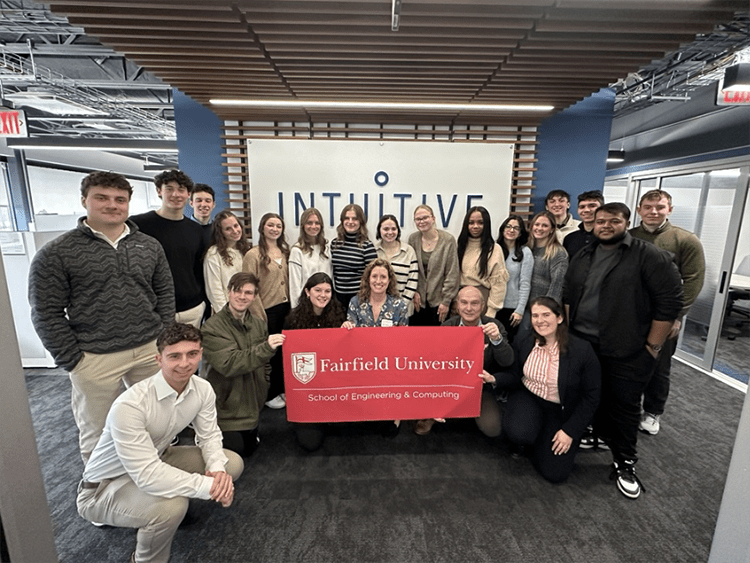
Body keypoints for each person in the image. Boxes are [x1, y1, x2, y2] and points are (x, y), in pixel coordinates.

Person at [28, 171, 175, 463]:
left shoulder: (149, 246)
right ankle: (100, 493)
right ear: (85, 201)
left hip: (149, 350)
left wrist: (164, 340)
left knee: (157, 420)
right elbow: (45, 311)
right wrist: (71, 358)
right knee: (98, 431)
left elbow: (165, 294)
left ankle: (159, 477)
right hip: (94, 356)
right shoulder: (56, 253)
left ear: (128, 204)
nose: (112, 205)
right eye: (102, 198)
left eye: (120, 199)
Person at [76, 323, 243, 563]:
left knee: (231, 464)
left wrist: (216, 471)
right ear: (158, 359)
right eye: (174, 356)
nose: (185, 363)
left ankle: (158, 503)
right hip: (103, 487)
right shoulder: (131, 405)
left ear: (200, 354)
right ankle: (144, 559)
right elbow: (147, 475)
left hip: (156, 459)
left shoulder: (202, 388)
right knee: (172, 507)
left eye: (192, 354)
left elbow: (209, 435)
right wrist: (211, 488)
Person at [564, 202, 683, 499]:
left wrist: (653, 348)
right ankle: (594, 433)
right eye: (600, 221)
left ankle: (625, 462)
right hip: (584, 343)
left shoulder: (648, 255)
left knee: (625, 406)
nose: (605, 225)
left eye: (613, 221)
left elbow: (669, 304)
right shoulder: (584, 253)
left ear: (626, 222)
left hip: (627, 348)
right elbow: (568, 294)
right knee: (589, 395)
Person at [630, 189, 705, 435]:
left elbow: (693, 280)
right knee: (626, 363)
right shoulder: (628, 237)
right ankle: (626, 408)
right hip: (630, 315)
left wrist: (676, 316)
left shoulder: (685, 240)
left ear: (669, 210)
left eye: (660, 207)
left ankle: (652, 411)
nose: (654, 211)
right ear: (639, 209)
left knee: (658, 366)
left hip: (664, 317)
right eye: (648, 206)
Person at [503, 297, 601, 483]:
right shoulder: (525, 339)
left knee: (555, 474)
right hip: (530, 397)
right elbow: (515, 376)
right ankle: (533, 436)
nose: (540, 321)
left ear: (560, 318)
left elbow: (591, 396)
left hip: (562, 409)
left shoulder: (582, 350)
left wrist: (570, 431)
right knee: (518, 432)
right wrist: (493, 379)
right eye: (535, 316)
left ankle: (543, 439)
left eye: (546, 315)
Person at [201, 273, 285, 457]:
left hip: (252, 404)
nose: (242, 296)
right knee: (237, 452)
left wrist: (264, 386)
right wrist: (266, 348)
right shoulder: (211, 328)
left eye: (248, 293)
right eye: (237, 291)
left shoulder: (258, 324)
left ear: (254, 297)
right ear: (229, 292)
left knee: (249, 449)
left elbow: (265, 364)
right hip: (226, 408)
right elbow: (230, 363)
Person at [414, 286, 514, 437]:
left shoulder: (494, 326)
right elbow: (434, 364)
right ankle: (434, 415)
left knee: (492, 429)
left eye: (474, 303)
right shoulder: (447, 326)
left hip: (480, 387)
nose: (469, 308)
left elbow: (507, 362)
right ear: (457, 305)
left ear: (482, 306)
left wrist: (497, 340)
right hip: (450, 385)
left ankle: (472, 412)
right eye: (464, 302)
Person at [131, 169, 206, 328]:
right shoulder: (138, 225)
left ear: (188, 194)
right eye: (169, 189)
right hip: (153, 310)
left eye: (181, 190)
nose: (176, 194)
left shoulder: (195, 230)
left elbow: (198, 269)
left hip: (191, 308)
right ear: (159, 191)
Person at [343, 258, 409, 436]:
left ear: (390, 281)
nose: (378, 281)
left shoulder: (399, 305)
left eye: (383, 277)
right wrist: (346, 327)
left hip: (390, 362)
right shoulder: (356, 302)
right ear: (367, 279)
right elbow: (349, 334)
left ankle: (395, 415)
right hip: (362, 362)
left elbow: (405, 339)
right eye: (374, 276)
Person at [284, 272, 346, 451]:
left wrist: (347, 332)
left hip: (330, 386)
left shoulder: (338, 315)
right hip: (307, 390)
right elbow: (288, 363)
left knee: (343, 429)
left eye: (327, 291)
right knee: (310, 444)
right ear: (307, 292)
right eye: (317, 290)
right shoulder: (293, 320)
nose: (323, 295)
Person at [242, 213, 291, 410]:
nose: (274, 229)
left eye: (278, 226)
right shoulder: (253, 254)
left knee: (283, 353)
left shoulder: (285, 251)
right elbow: (248, 287)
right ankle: (268, 393)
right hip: (265, 311)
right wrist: (259, 314)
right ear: (262, 227)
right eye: (270, 225)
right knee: (268, 354)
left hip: (286, 309)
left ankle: (281, 388)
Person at [407, 204, 460, 326]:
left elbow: (452, 273)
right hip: (418, 301)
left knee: (438, 340)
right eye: (418, 219)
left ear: (433, 218)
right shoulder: (413, 239)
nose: (422, 221)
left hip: (439, 301)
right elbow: (411, 269)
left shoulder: (448, 240)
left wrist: (446, 301)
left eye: (425, 217)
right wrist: (413, 292)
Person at [456, 206, 508, 318]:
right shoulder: (458, 246)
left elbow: (499, 284)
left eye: (480, 222)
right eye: (471, 223)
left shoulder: (494, 249)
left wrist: (491, 311)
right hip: (460, 299)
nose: (475, 226)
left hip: (481, 300)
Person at [203, 210, 251, 315]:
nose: (234, 231)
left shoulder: (245, 250)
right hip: (226, 312)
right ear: (221, 233)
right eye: (228, 229)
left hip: (246, 310)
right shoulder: (214, 254)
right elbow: (214, 291)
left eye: (236, 226)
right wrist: (227, 315)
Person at [330, 203, 378, 309]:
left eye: (355, 219)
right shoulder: (335, 244)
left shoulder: (367, 246)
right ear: (342, 221)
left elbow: (373, 276)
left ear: (360, 222)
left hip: (359, 299)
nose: (350, 222)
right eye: (347, 218)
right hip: (337, 298)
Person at [496, 214, 533, 343]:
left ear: (520, 233)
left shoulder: (525, 252)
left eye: (516, 228)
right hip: (493, 305)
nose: (511, 230)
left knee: (507, 343)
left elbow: (525, 283)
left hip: (511, 308)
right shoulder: (494, 249)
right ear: (503, 229)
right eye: (509, 226)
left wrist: (520, 310)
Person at [288, 207, 333, 309]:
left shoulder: (327, 247)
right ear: (303, 226)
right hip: (306, 306)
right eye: (309, 223)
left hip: (326, 303)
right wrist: (296, 310)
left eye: (317, 223)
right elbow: (294, 286)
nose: (313, 226)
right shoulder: (297, 250)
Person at [375, 214, 419, 316]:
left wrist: (400, 305)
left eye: (393, 229)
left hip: (403, 310)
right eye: (386, 229)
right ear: (379, 230)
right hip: (378, 310)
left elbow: (412, 281)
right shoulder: (373, 251)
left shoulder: (408, 251)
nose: (390, 232)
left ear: (398, 230)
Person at [527, 211, 568, 305]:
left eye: (545, 226)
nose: (539, 228)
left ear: (552, 229)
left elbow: (557, 285)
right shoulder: (527, 249)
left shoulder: (558, 253)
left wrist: (547, 308)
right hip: (524, 307)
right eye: (536, 224)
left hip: (543, 309)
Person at [563, 190, 604, 260]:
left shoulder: (609, 238)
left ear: (602, 209)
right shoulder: (569, 239)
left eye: (592, 206)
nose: (586, 210)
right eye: (582, 207)